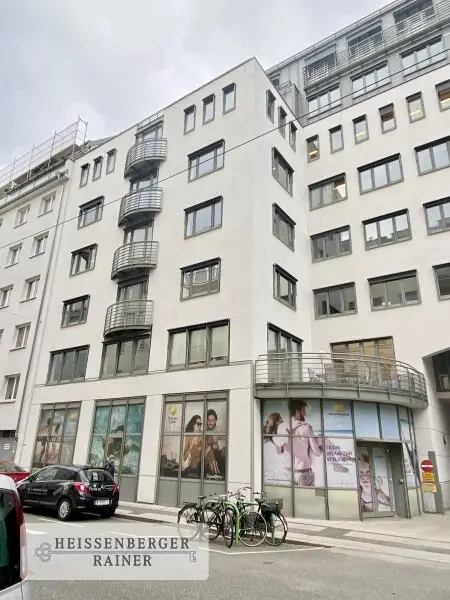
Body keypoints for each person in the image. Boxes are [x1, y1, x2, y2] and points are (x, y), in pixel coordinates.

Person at [204, 409, 226, 479]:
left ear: (215, 421)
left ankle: (216, 473)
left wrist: (212, 446)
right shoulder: (203, 430)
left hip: (218, 457)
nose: (210, 422)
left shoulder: (219, 430)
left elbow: (227, 441)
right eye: (208, 420)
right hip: (205, 459)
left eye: (212, 420)